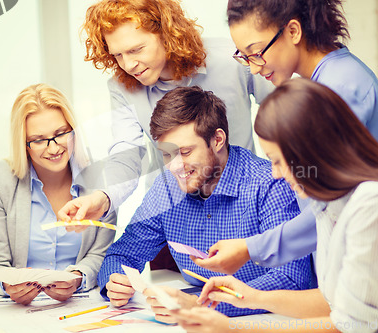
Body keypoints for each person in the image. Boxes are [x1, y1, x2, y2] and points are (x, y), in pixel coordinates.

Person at [172, 78, 378, 333]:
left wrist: (233, 328)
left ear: (312, 150)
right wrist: (249, 297)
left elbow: (353, 326)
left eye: (278, 160)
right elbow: (335, 303)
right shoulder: (329, 205)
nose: (276, 173)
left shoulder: (375, 203)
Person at [193, 0, 378, 275]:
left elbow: (329, 210)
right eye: (244, 56)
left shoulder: (338, 89)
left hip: (367, 265)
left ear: (293, 31)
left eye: (257, 52)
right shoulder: (338, 76)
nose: (254, 68)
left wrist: (251, 248)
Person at [98, 86, 312, 323]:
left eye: (186, 152)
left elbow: (292, 277)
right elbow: (122, 253)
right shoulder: (167, 186)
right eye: (167, 155)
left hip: (271, 321)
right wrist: (115, 281)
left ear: (217, 140)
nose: (175, 166)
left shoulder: (269, 183)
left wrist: (205, 306)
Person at [58, 0, 273, 229]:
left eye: (136, 49)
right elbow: (125, 154)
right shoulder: (121, 88)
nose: (128, 65)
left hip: (243, 205)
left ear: (166, 33)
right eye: (118, 55)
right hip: (172, 215)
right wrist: (101, 198)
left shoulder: (233, 59)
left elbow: (287, 115)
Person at [0, 84, 116, 305]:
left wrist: (78, 278)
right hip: (17, 311)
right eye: (39, 140)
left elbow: (101, 254)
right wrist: (7, 285)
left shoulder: (100, 180)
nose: (53, 149)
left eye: (61, 134)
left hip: (79, 304)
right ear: (23, 144)